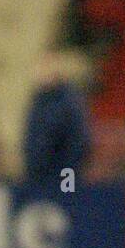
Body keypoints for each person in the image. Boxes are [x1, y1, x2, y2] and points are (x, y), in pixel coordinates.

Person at [23, 51, 92, 183]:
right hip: (38, 175)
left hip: (64, 174)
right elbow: (31, 139)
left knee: (66, 200)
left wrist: (69, 174)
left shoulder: (69, 102)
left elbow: (77, 141)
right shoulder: (38, 101)